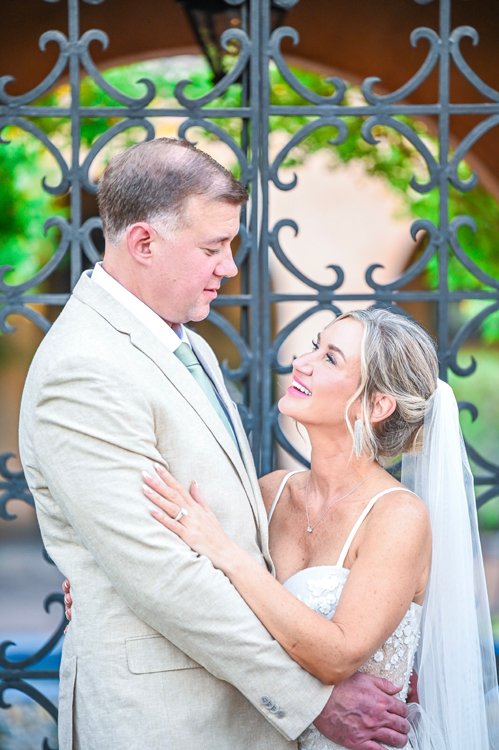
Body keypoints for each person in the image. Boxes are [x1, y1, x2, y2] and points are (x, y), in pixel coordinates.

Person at [19, 138, 411, 750]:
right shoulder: (84, 369)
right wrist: (310, 700)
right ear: (144, 242)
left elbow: (230, 536)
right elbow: (160, 575)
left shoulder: (186, 343)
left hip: (235, 713)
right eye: (213, 247)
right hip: (164, 721)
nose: (230, 266)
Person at [143, 307, 499, 749]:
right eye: (315, 346)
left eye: (330, 358)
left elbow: (337, 657)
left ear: (376, 404)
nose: (302, 361)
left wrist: (226, 552)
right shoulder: (270, 494)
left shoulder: (397, 517)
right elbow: (184, 567)